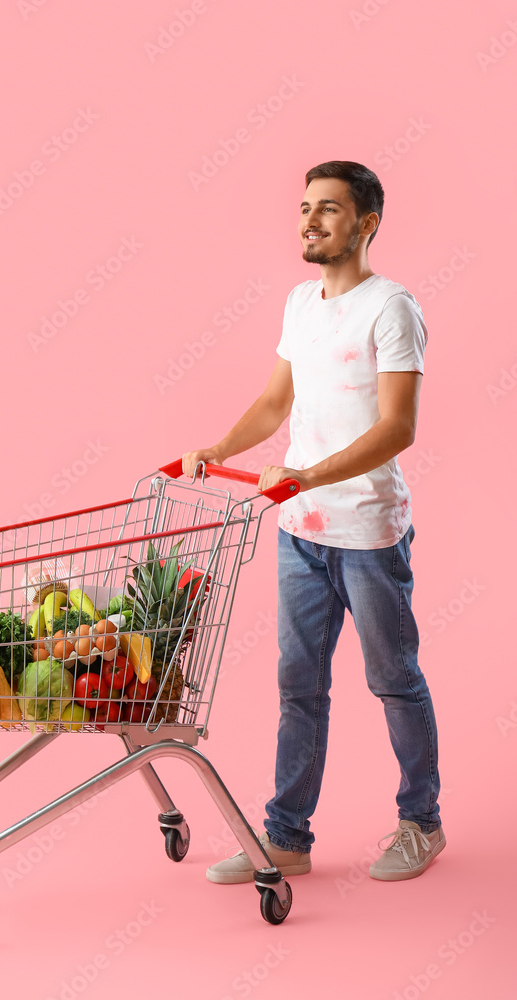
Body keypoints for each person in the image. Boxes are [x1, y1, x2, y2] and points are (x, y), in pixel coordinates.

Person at [182, 160, 444, 884]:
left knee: (393, 680)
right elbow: (274, 405)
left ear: (366, 224)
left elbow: (397, 429)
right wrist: (218, 448)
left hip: (365, 533)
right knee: (298, 686)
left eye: (328, 209)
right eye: (304, 206)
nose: (309, 219)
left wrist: (306, 474)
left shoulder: (391, 308)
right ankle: (285, 838)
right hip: (298, 530)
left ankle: (420, 823)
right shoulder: (300, 301)